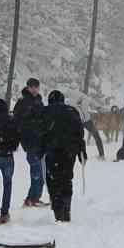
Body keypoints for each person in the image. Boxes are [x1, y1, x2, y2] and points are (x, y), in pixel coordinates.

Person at [41, 90, 86, 222]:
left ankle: (57, 210)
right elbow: (79, 133)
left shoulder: (45, 112)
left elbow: (40, 132)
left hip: (52, 151)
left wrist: (40, 150)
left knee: (53, 181)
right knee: (66, 179)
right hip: (69, 151)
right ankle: (66, 209)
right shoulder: (72, 111)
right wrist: (81, 151)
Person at [14, 78, 48, 207]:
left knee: (40, 173)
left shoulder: (39, 102)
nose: (34, 89)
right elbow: (17, 122)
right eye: (32, 87)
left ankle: (33, 198)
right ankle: (31, 199)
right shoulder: (22, 103)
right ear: (27, 88)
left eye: (36, 87)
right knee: (36, 172)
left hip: (41, 142)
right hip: (30, 142)